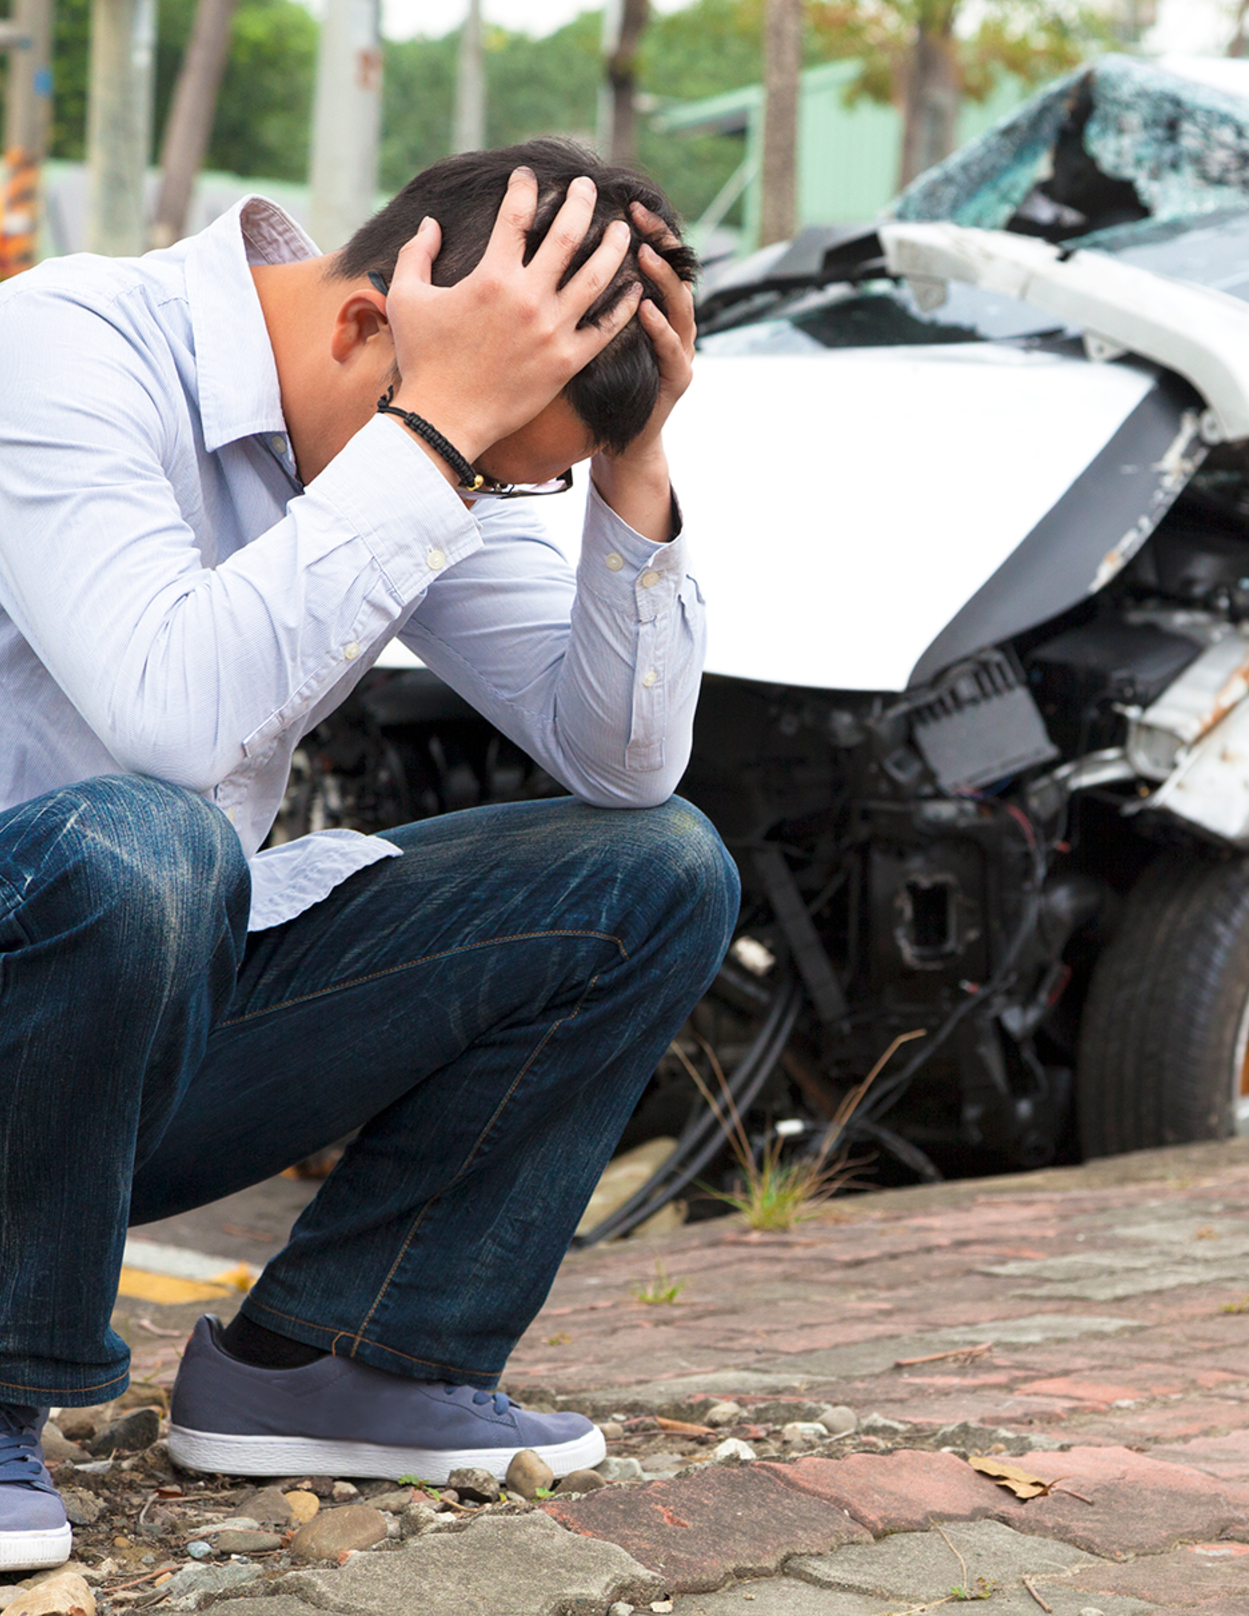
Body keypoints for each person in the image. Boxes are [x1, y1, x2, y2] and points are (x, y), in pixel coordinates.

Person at [0, 141, 740, 1573]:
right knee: (150, 843)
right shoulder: (62, 346)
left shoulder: (416, 425)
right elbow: (174, 717)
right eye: (478, 464)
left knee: (656, 872)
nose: (470, 498)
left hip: (138, 1030)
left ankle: (346, 1357)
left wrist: (627, 464)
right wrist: (439, 435)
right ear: (363, 325)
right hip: (35, 958)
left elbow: (625, 762)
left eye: (503, 481)